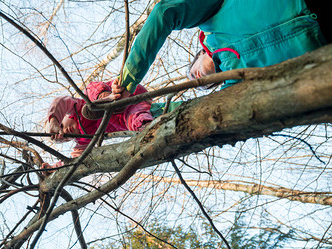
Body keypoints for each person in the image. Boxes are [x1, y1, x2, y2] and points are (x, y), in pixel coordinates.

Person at [112, 0, 329, 95]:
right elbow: (203, 110)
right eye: (203, 85)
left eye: (191, 74)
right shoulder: (236, 83)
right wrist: (139, 111)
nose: (196, 80)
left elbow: (164, 13)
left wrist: (128, 81)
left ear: (197, 56)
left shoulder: (208, 20)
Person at [42, 80, 153, 169]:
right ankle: (145, 126)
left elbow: (61, 102)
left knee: (89, 91)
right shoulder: (83, 140)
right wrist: (53, 168)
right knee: (136, 120)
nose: (65, 132)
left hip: (121, 91)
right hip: (128, 112)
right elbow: (74, 160)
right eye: (66, 139)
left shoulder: (75, 108)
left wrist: (53, 120)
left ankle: (105, 100)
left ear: (63, 116)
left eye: (62, 126)